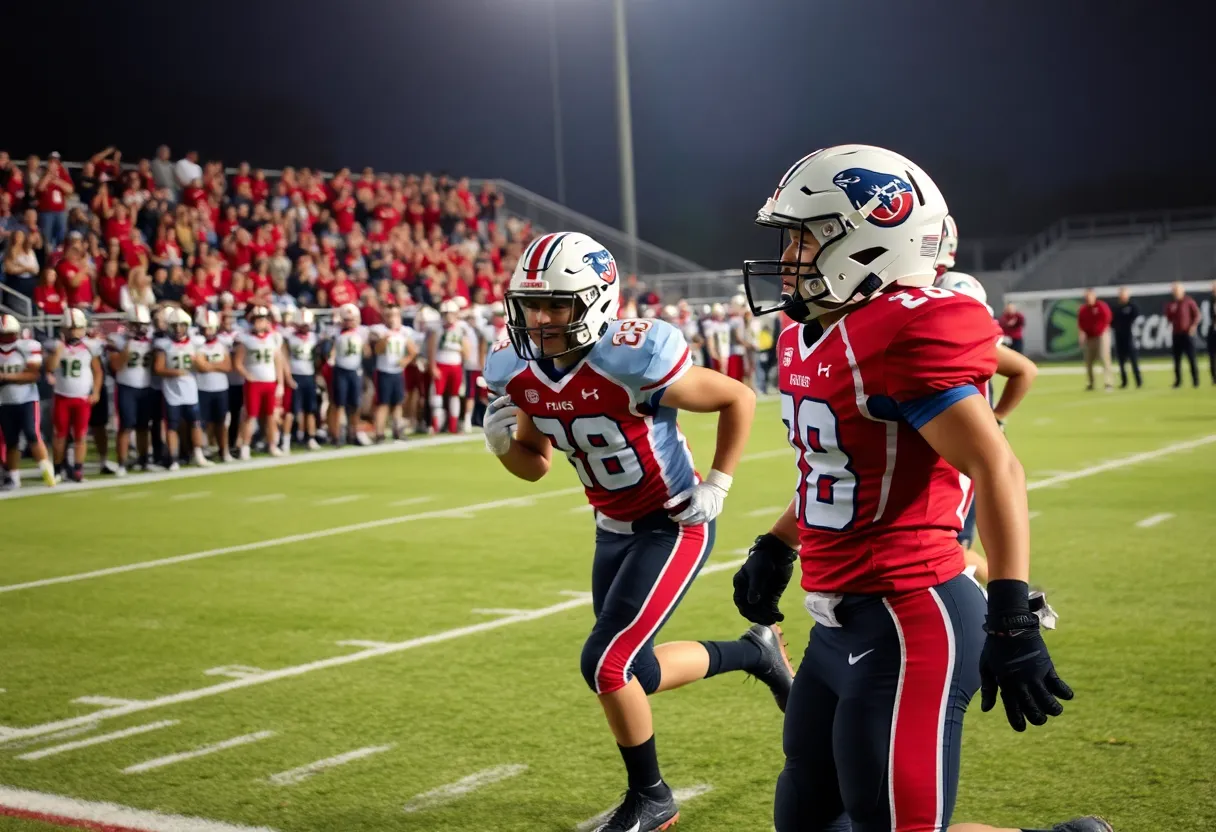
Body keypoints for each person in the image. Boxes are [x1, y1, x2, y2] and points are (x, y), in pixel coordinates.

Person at [733, 144, 1107, 832]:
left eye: (805, 236)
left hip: (910, 614)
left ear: (871, 241)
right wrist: (777, 544)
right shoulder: (804, 334)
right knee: (808, 820)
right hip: (834, 619)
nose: (789, 256)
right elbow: (837, 467)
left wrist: (1013, 614)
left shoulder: (908, 327)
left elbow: (997, 468)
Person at [482, 231, 793, 832]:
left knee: (605, 664)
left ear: (596, 301)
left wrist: (720, 483)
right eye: (532, 304)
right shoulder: (516, 369)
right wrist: (502, 449)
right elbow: (534, 462)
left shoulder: (631, 357)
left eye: (558, 305)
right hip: (612, 528)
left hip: (672, 522)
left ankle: (651, 798)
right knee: (636, 671)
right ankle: (755, 652)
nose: (541, 319)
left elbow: (737, 397)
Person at [935, 272, 1039, 584]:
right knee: (947, 549)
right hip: (958, 448)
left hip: (963, 454)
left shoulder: (971, 345)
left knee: (949, 550)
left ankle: (1015, 601)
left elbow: (1025, 370)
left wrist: (997, 416)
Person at [0, 314, 56, 489]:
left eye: (10, 333)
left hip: (27, 399)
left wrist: (5, 377)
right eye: (4, 334)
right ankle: (13, 477)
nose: (8, 337)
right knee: (11, 440)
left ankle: (47, 471)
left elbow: (32, 375)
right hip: (4, 401)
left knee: (33, 434)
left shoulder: (25, 347)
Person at [46, 308, 102, 483]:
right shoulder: (57, 347)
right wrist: (59, 349)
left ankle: (78, 469)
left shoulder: (90, 347)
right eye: (70, 328)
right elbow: (49, 368)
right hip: (62, 396)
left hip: (82, 398)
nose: (74, 332)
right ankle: (57, 468)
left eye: (77, 328)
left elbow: (98, 371)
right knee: (60, 435)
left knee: (80, 435)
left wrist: (96, 391)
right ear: (63, 329)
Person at [1164, 282, 1200, 389]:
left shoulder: (1188, 301)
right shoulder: (1171, 303)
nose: (1176, 293)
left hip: (1187, 333)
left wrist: (1193, 327)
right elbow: (1169, 316)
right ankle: (1178, 381)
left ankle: (1195, 381)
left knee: (1191, 358)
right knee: (1177, 359)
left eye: (1177, 290)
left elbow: (1197, 315)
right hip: (1176, 334)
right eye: (1174, 291)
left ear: (1182, 291)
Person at [1077, 289, 1113, 392]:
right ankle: (1091, 383)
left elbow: (1107, 318)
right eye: (1086, 297)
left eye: (1089, 296)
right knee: (1088, 361)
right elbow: (1080, 324)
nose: (1088, 299)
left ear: (1094, 296)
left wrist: (1101, 330)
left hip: (1101, 336)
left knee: (1104, 358)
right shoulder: (1083, 310)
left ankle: (1108, 383)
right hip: (1089, 337)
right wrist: (1081, 336)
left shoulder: (1101, 306)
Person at [1111, 287, 1141, 389]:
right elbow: (1112, 321)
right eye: (1121, 294)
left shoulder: (1132, 307)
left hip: (1129, 336)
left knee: (1133, 361)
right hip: (1119, 336)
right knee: (1121, 362)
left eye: (1124, 294)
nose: (1122, 296)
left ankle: (1138, 381)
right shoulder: (1116, 308)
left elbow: (1135, 318)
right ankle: (1124, 382)